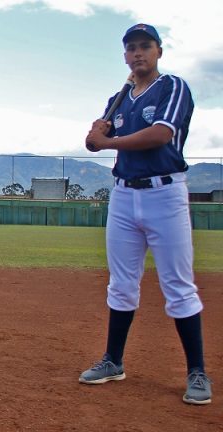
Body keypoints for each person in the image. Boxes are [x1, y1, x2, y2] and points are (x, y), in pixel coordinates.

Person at [82, 24, 212, 405]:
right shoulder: (118, 98)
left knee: (178, 286)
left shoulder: (173, 87)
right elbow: (94, 143)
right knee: (121, 284)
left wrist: (109, 142)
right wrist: (95, 136)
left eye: (145, 47)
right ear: (124, 56)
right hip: (123, 196)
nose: (138, 53)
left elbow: (160, 134)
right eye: (131, 48)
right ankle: (113, 361)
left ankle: (197, 371)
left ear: (158, 52)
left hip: (164, 193)